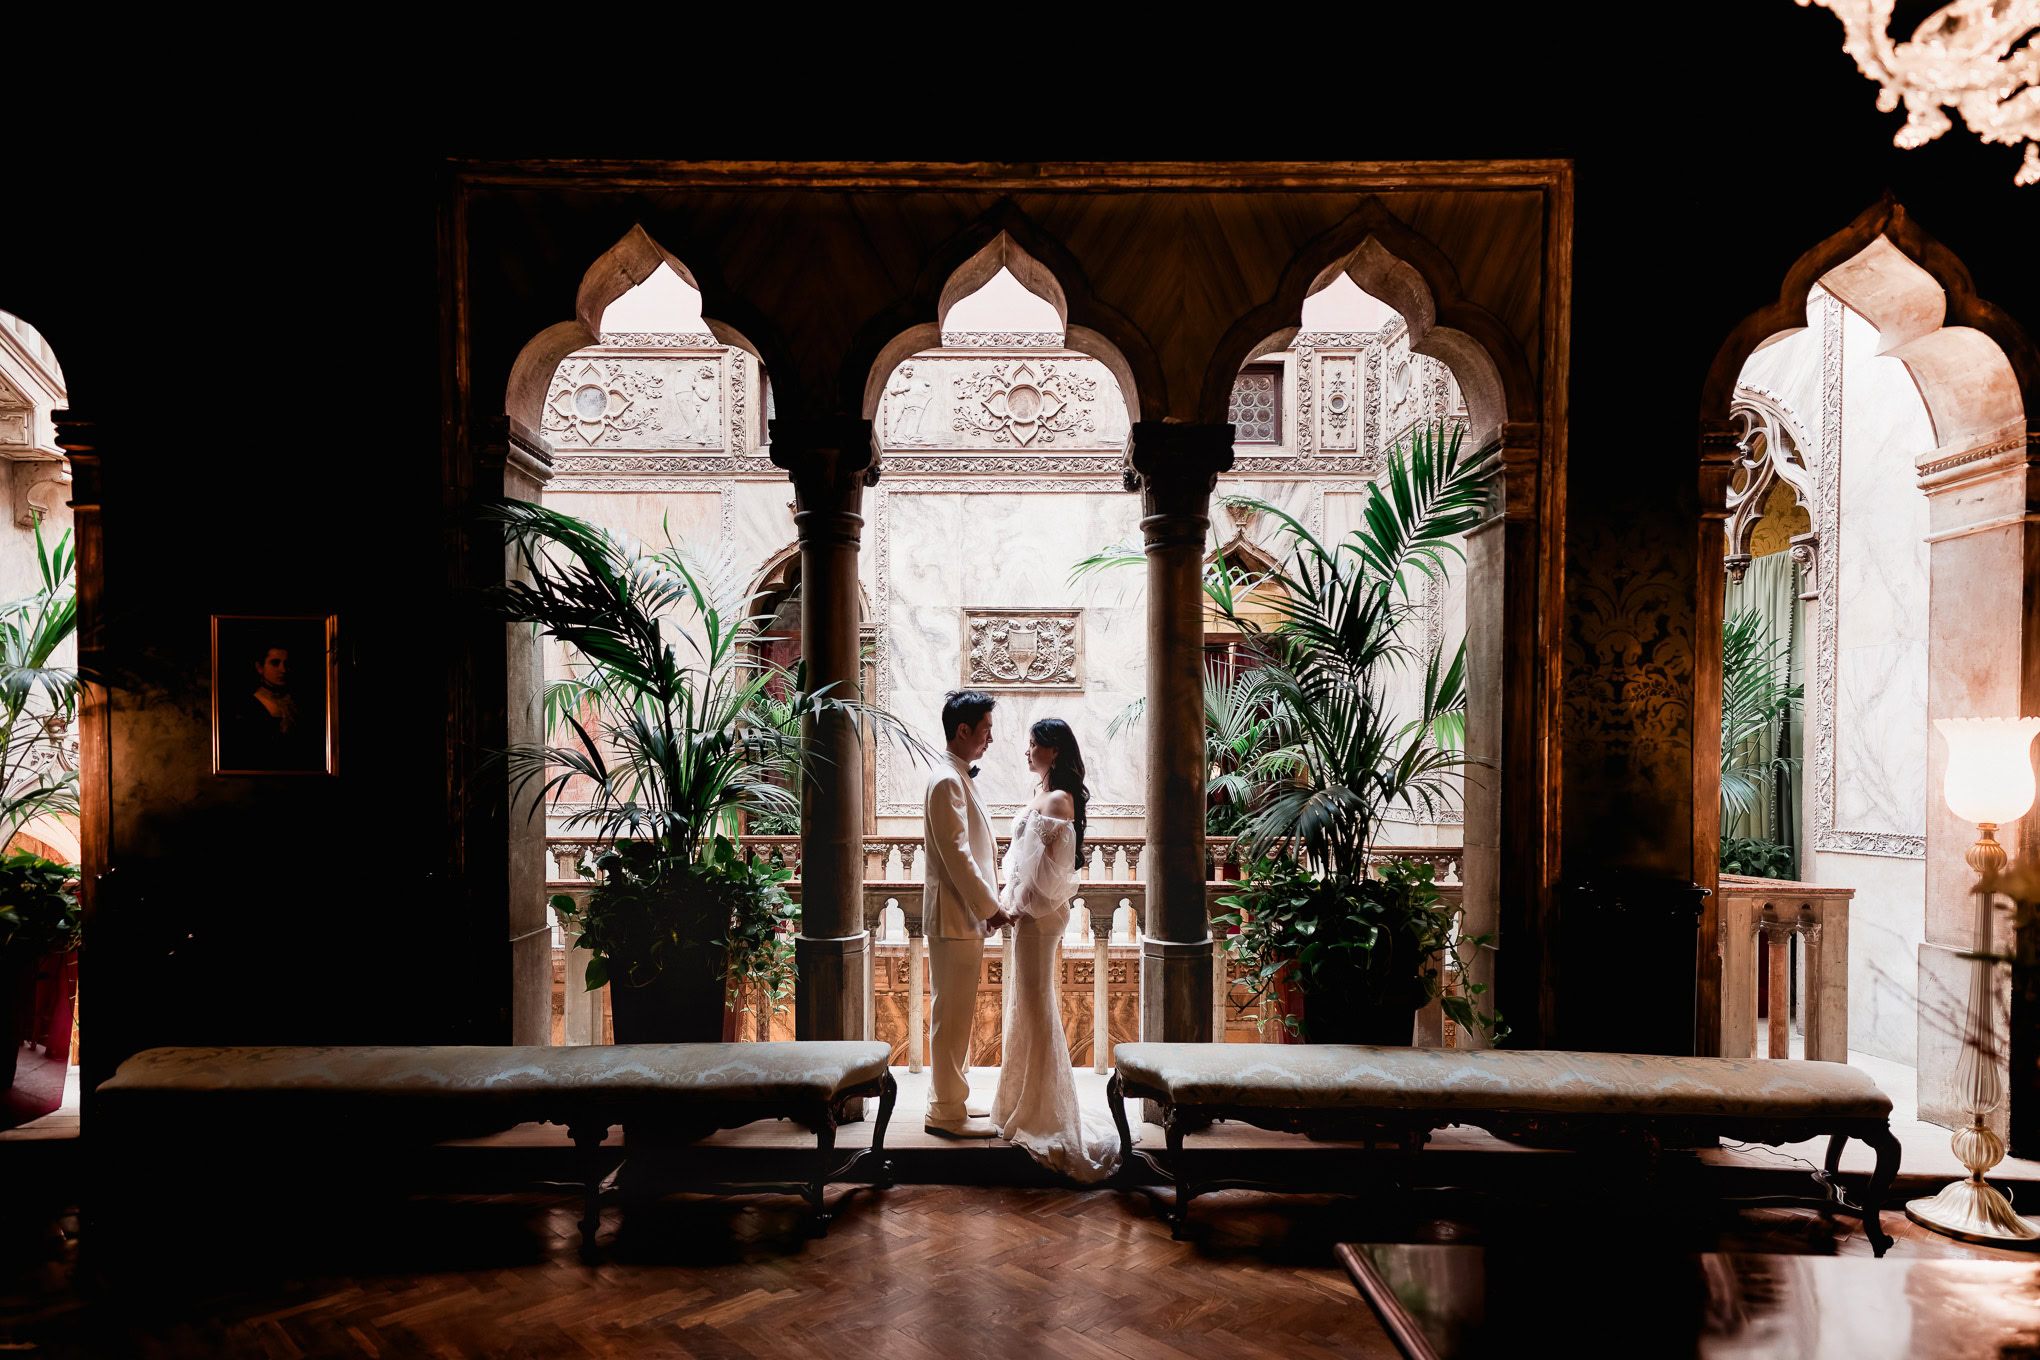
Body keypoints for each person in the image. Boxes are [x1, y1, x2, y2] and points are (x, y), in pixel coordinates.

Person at [990, 716, 1122, 1182]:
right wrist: (1007, 898)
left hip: (1040, 917)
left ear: (1054, 751)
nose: (1026, 752)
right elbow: (1020, 863)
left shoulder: (1060, 800)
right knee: (1025, 1004)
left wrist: (1017, 907)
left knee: (1037, 1004)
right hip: (1029, 913)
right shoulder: (1043, 795)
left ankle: (1046, 1112)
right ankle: (1022, 1102)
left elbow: (1050, 873)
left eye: (1033, 745)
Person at [919, 690, 1011, 1138]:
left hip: (963, 919)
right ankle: (945, 1113)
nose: (990, 740)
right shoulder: (946, 781)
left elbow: (974, 848)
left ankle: (952, 1098)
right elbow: (958, 857)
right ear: (963, 731)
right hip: (955, 919)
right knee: (951, 1017)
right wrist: (991, 909)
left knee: (956, 1014)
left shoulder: (957, 777)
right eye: (986, 730)